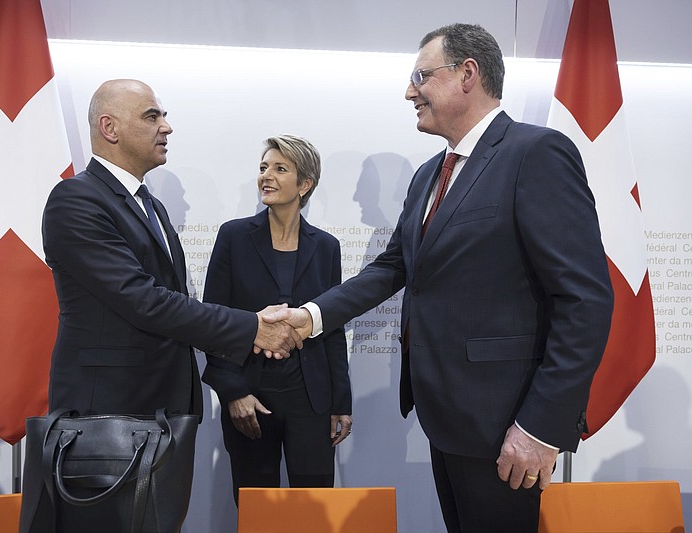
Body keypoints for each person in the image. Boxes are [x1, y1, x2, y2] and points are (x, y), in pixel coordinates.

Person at [267, 24, 614, 533]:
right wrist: (308, 317)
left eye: (421, 76)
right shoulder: (430, 172)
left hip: (509, 427)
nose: (410, 91)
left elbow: (585, 299)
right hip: (446, 419)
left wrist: (540, 427)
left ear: (467, 75)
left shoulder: (535, 154)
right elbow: (393, 268)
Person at [37, 79, 301, 529]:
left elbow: (173, 303)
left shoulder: (151, 207)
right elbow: (144, 301)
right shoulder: (76, 200)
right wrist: (252, 328)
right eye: (152, 116)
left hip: (163, 415)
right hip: (110, 418)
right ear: (110, 128)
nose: (167, 127)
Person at [202, 135, 352, 505]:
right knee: (257, 509)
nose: (266, 176)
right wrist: (233, 392)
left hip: (312, 402)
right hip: (251, 399)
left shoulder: (327, 246)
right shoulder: (234, 237)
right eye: (263, 168)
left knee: (314, 510)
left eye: (280, 169)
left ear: (305, 184)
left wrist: (341, 402)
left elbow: (330, 328)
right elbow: (213, 322)